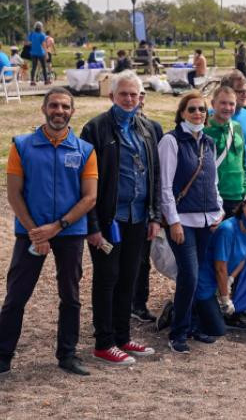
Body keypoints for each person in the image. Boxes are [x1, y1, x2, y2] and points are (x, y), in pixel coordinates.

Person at [0, 88, 98, 376]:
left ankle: (67, 355)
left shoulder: (84, 150)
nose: (59, 111)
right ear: (44, 109)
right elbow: (14, 194)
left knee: (71, 295)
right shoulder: (22, 146)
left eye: (65, 106)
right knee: (16, 295)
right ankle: (3, 355)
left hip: (69, 232)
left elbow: (89, 197)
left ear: (72, 112)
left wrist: (57, 227)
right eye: (54, 105)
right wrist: (35, 232)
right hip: (30, 232)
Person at [81, 71, 160, 366]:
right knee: (107, 278)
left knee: (129, 277)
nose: (129, 99)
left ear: (141, 97)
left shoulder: (148, 128)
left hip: (138, 217)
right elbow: (85, 182)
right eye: (123, 94)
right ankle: (104, 342)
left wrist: (155, 216)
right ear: (112, 95)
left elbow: (155, 175)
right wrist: (92, 226)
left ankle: (123, 337)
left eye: (134, 94)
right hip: (107, 220)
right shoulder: (96, 129)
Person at [157, 91, 224, 354]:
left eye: (202, 110)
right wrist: (172, 222)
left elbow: (213, 181)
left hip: (207, 220)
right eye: (192, 109)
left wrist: (218, 211)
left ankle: (194, 325)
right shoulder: (171, 141)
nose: (198, 114)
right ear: (182, 113)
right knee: (189, 275)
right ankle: (178, 331)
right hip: (182, 220)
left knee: (198, 276)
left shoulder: (208, 142)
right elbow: (165, 187)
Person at [193, 188, 246, 336]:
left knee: (216, 325)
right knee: (217, 330)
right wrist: (225, 298)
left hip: (220, 281)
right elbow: (220, 268)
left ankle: (200, 311)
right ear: (243, 205)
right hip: (205, 282)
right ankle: (177, 310)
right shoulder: (228, 229)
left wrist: (231, 278)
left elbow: (245, 256)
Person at [132, 87, 164, 324]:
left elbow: (158, 169)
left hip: (145, 206)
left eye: (141, 93)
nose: (138, 98)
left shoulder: (154, 128)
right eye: (132, 94)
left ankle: (138, 303)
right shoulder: (102, 127)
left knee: (142, 259)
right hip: (119, 208)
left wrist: (157, 211)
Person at [204, 86, 246, 217]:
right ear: (213, 104)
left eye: (231, 104)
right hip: (215, 198)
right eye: (223, 103)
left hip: (239, 196)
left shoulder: (237, 127)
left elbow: (243, 162)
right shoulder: (204, 130)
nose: (227, 107)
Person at [27, 21, 50, 85]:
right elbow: (43, 44)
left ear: (35, 27)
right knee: (44, 67)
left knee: (34, 67)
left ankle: (32, 81)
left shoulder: (31, 34)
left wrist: (34, 43)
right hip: (41, 52)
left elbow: (28, 42)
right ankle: (46, 80)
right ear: (41, 27)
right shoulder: (42, 35)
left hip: (33, 53)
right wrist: (46, 53)